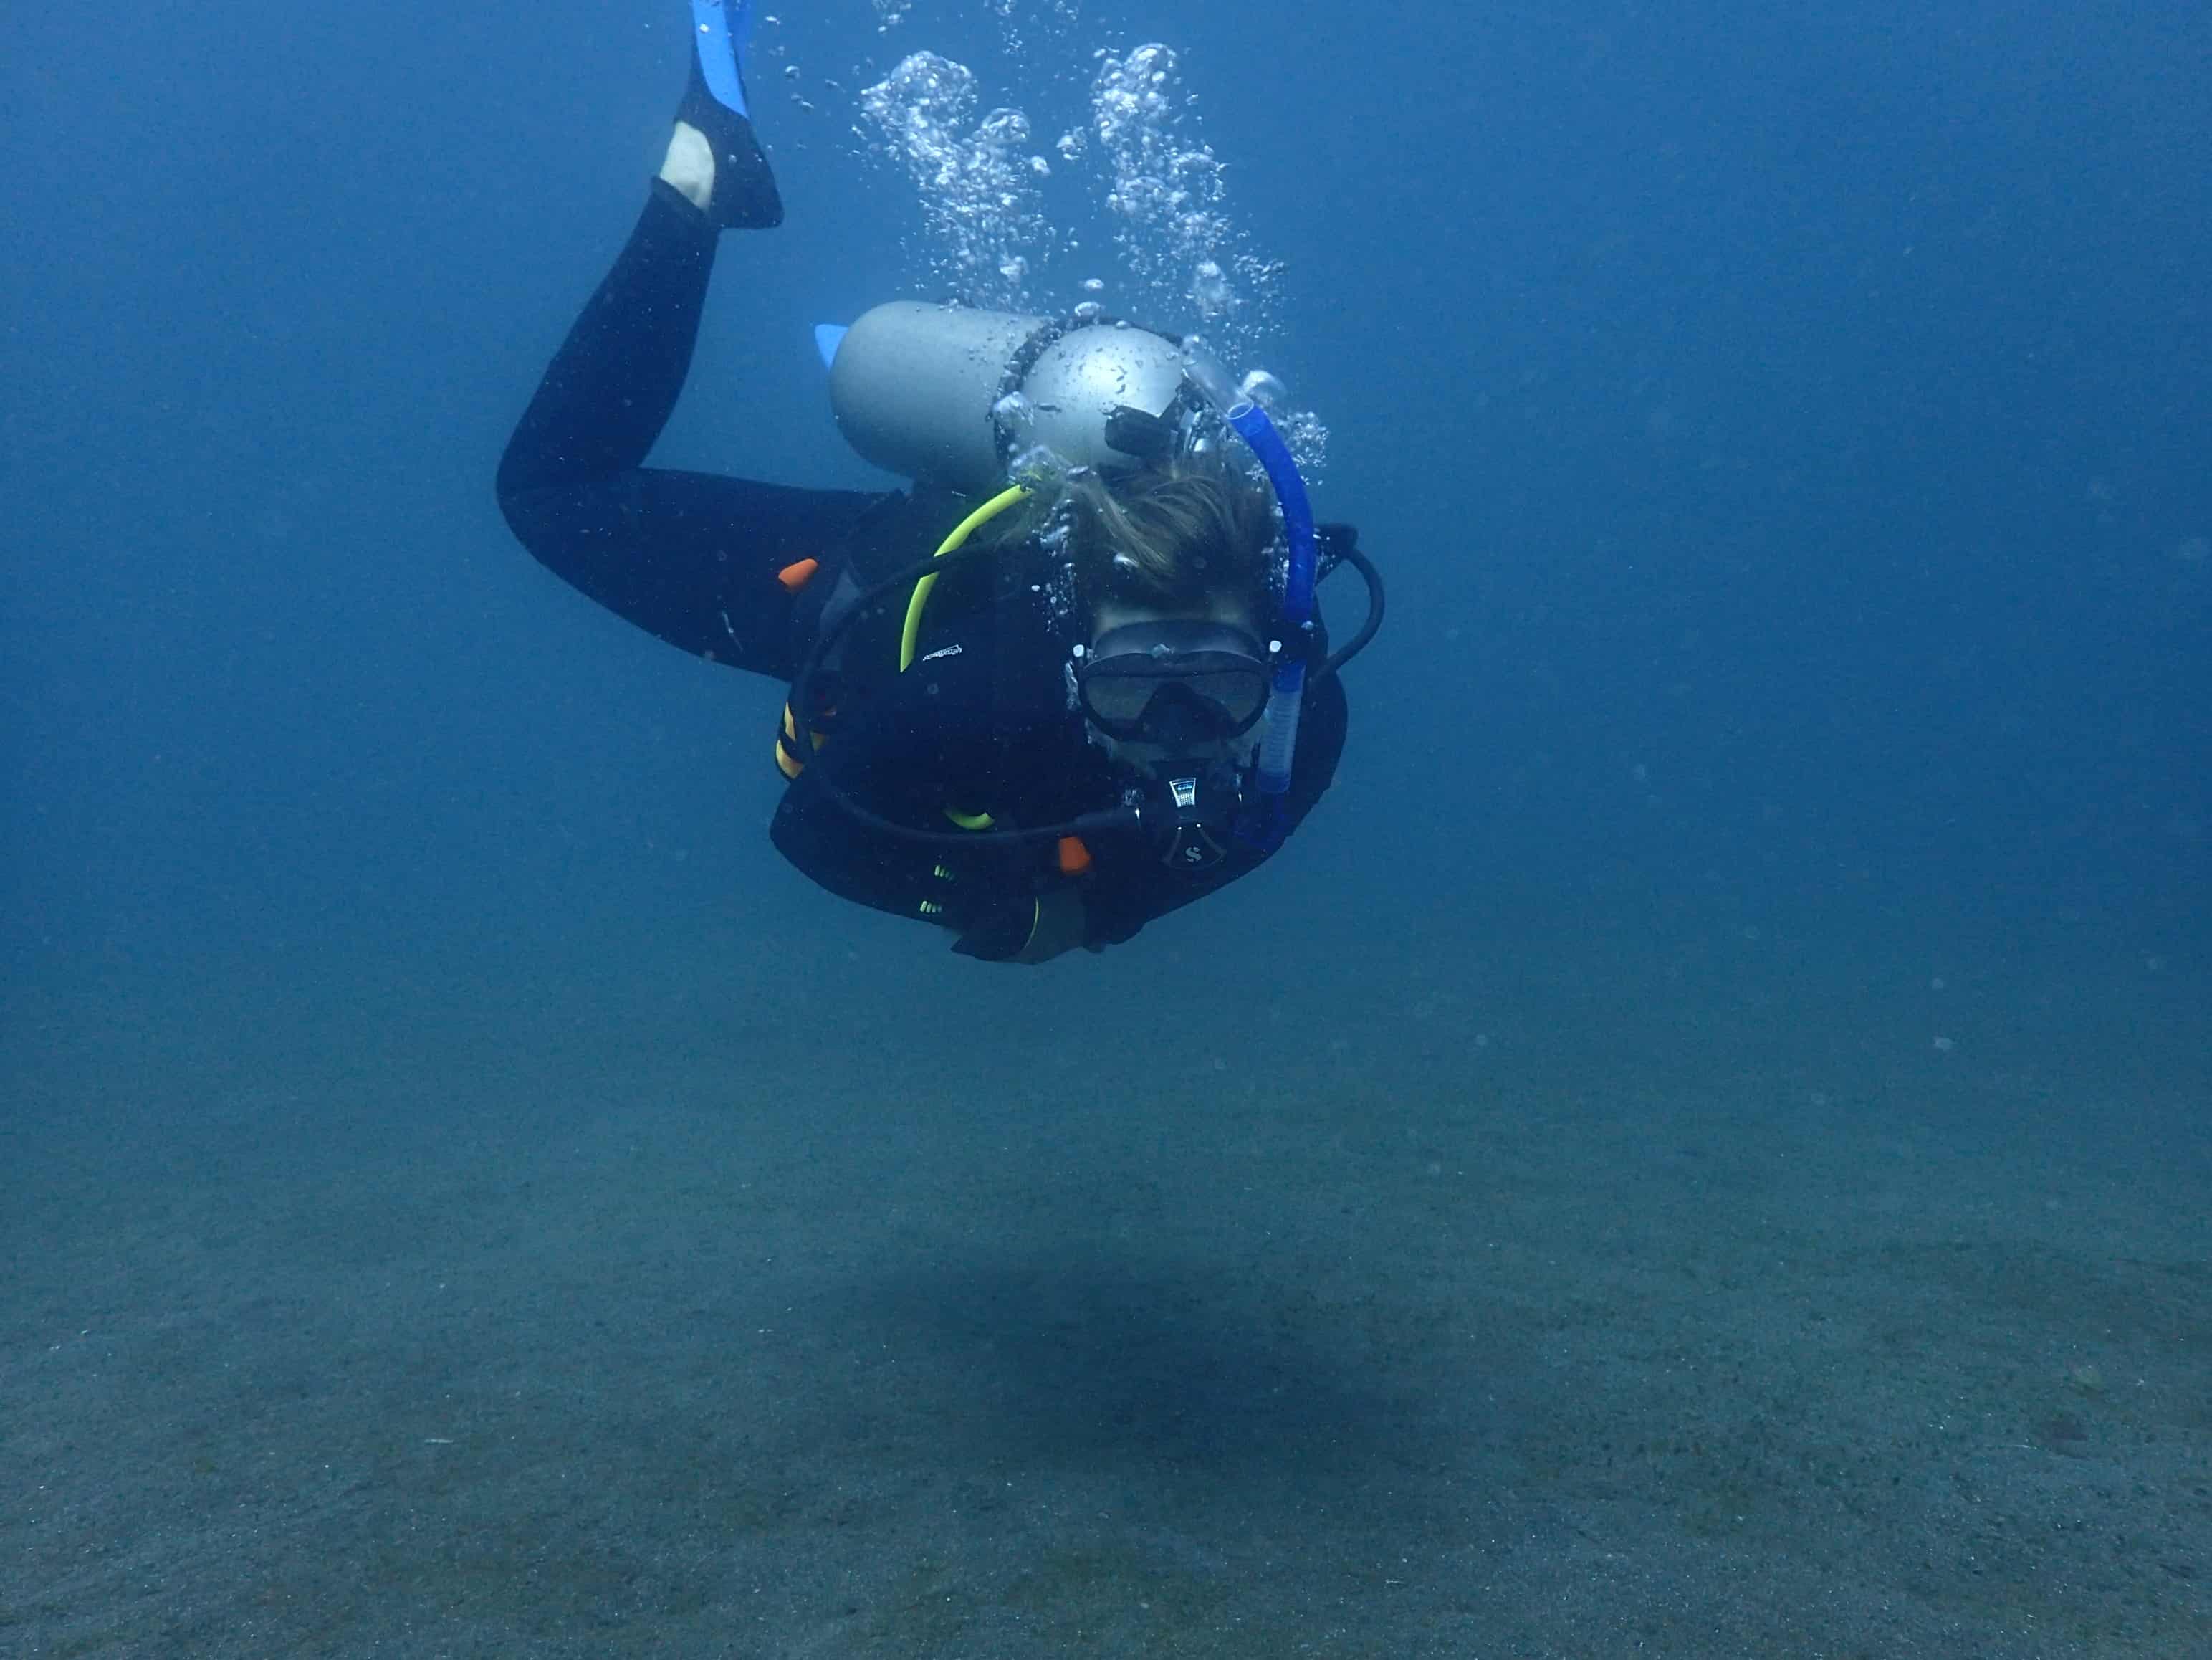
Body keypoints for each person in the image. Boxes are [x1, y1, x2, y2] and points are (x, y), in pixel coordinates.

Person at [497, 0, 1381, 964]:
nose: (1178, 730)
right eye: (1133, 689)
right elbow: (813, 833)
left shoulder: (1304, 703)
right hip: (844, 583)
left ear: (1271, 657)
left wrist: (1110, 908)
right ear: (1079, 643)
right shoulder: (994, 685)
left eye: (1218, 686)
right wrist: (1020, 911)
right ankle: (699, 182)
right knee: (550, 495)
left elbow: (1258, 834)